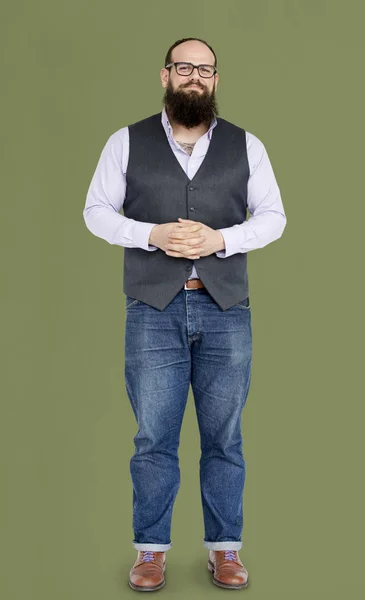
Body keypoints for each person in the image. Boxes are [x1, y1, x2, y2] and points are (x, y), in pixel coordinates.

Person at [83, 36, 287, 592]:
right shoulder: (126, 141)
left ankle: (226, 550)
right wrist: (149, 233)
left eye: (205, 69)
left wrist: (220, 238)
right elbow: (95, 211)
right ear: (165, 75)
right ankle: (150, 551)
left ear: (215, 80)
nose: (194, 76)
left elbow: (274, 218)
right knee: (153, 437)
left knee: (225, 436)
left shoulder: (248, 146)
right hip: (152, 309)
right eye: (184, 67)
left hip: (226, 308)